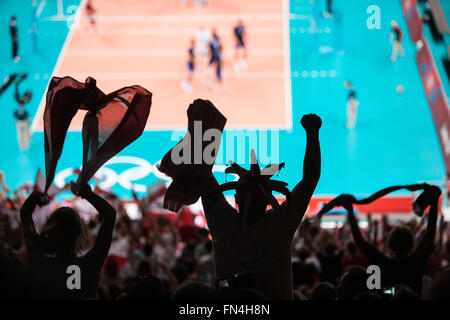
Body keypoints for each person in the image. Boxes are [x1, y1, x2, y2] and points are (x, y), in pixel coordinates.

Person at [197, 114, 322, 299]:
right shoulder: (280, 223)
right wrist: (312, 133)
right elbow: (310, 180)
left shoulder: (223, 223)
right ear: (267, 200)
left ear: (237, 197)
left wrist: (201, 130)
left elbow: (202, 172)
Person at [338, 185, 441, 295]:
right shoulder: (417, 263)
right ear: (411, 244)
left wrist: (350, 210)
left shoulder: (384, 264)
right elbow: (430, 233)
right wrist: (434, 201)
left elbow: (359, 241)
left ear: (390, 245)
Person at [20, 184, 117, 299]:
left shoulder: (40, 263)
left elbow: (25, 214)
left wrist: (35, 196)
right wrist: (88, 195)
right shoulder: (90, 265)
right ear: (79, 234)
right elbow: (111, 215)